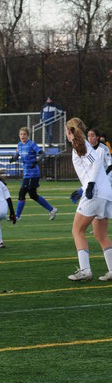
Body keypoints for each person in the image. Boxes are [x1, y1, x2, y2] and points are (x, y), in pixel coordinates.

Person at [66, 117, 112, 282]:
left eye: (66, 130)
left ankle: (85, 271)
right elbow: (91, 168)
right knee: (100, 234)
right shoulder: (83, 145)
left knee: (77, 231)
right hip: (105, 193)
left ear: (70, 131)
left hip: (96, 193)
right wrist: (83, 189)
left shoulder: (80, 145)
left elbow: (97, 163)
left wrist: (90, 185)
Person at [9, 126, 58, 220]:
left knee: (22, 193)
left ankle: (17, 216)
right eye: (21, 134)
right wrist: (13, 159)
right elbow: (17, 155)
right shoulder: (19, 145)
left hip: (33, 173)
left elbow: (42, 154)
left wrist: (36, 161)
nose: (22, 136)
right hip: (26, 173)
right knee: (33, 195)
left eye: (24, 134)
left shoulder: (31, 144)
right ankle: (52, 209)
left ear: (28, 135)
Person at [70, 126, 112, 204]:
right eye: (88, 136)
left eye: (92, 135)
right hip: (94, 179)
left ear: (97, 137)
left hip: (105, 178)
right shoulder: (86, 148)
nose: (90, 138)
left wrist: (103, 176)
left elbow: (110, 165)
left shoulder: (104, 148)